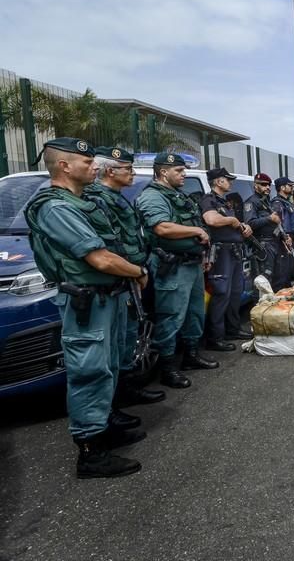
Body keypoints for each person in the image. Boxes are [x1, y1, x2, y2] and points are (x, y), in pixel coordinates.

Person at [25, 139, 148, 478]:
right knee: (89, 371)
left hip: (105, 297)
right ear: (64, 165)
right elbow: (100, 258)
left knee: (106, 366)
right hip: (86, 301)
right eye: (86, 160)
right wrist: (139, 272)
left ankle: (104, 426)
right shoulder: (55, 207)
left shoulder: (80, 201)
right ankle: (90, 451)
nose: (95, 166)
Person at [83, 147, 165, 422]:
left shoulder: (117, 198)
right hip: (116, 278)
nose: (131, 173)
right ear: (110, 171)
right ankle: (110, 408)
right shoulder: (97, 200)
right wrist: (134, 270)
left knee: (127, 338)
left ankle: (126, 390)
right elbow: (108, 246)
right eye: (127, 169)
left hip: (128, 279)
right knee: (111, 348)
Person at [135, 152, 217, 388]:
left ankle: (191, 355)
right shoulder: (152, 196)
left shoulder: (177, 195)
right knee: (171, 316)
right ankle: (168, 368)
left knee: (195, 313)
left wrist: (202, 254)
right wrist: (197, 233)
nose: (183, 175)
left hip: (192, 264)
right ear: (163, 172)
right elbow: (162, 228)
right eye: (179, 171)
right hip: (172, 266)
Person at [200, 167, 253, 352]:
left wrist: (245, 228)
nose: (230, 182)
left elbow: (237, 222)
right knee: (221, 293)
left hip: (235, 251)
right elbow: (211, 220)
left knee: (235, 292)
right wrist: (231, 221)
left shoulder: (227, 202)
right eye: (227, 179)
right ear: (217, 181)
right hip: (221, 252)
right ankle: (215, 337)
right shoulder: (209, 199)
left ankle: (233, 329)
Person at [244, 173, 282, 285]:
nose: (268, 187)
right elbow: (250, 223)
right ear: (256, 185)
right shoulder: (251, 202)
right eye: (264, 185)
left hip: (274, 242)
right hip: (262, 244)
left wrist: (284, 236)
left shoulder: (266, 201)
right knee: (263, 281)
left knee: (276, 277)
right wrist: (269, 218)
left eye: (269, 185)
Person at [271, 177, 294, 289]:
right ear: (282, 187)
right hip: (283, 240)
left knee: (290, 271)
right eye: (290, 186)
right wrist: (284, 238)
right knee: (282, 274)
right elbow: (276, 223)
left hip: (291, 238)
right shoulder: (277, 203)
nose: (292, 188)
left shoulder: (287, 202)